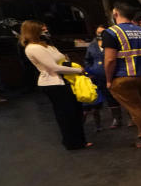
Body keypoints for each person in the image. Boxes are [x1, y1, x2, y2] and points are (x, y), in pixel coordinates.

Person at [20, 19, 90, 150]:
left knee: (76, 112)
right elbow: (54, 68)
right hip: (54, 84)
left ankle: (80, 140)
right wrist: (78, 70)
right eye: (43, 28)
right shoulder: (33, 48)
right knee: (66, 114)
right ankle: (72, 142)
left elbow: (62, 59)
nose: (46, 30)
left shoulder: (47, 45)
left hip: (65, 80)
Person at [102, 3, 141, 148]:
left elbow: (110, 59)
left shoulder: (111, 32)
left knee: (136, 109)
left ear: (116, 13)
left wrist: (108, 80)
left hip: (124, 77)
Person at [84, 25, 123, 129]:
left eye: (102, 32)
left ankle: (125, 118)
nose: (100, 34)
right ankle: (113, 120)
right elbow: (87, 60)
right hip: (97, 76)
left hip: (114, 74)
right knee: (104, 98)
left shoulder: (113, 43)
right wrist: (90, 71)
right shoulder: (92, 45)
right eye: (98, 32)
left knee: (118, 96)